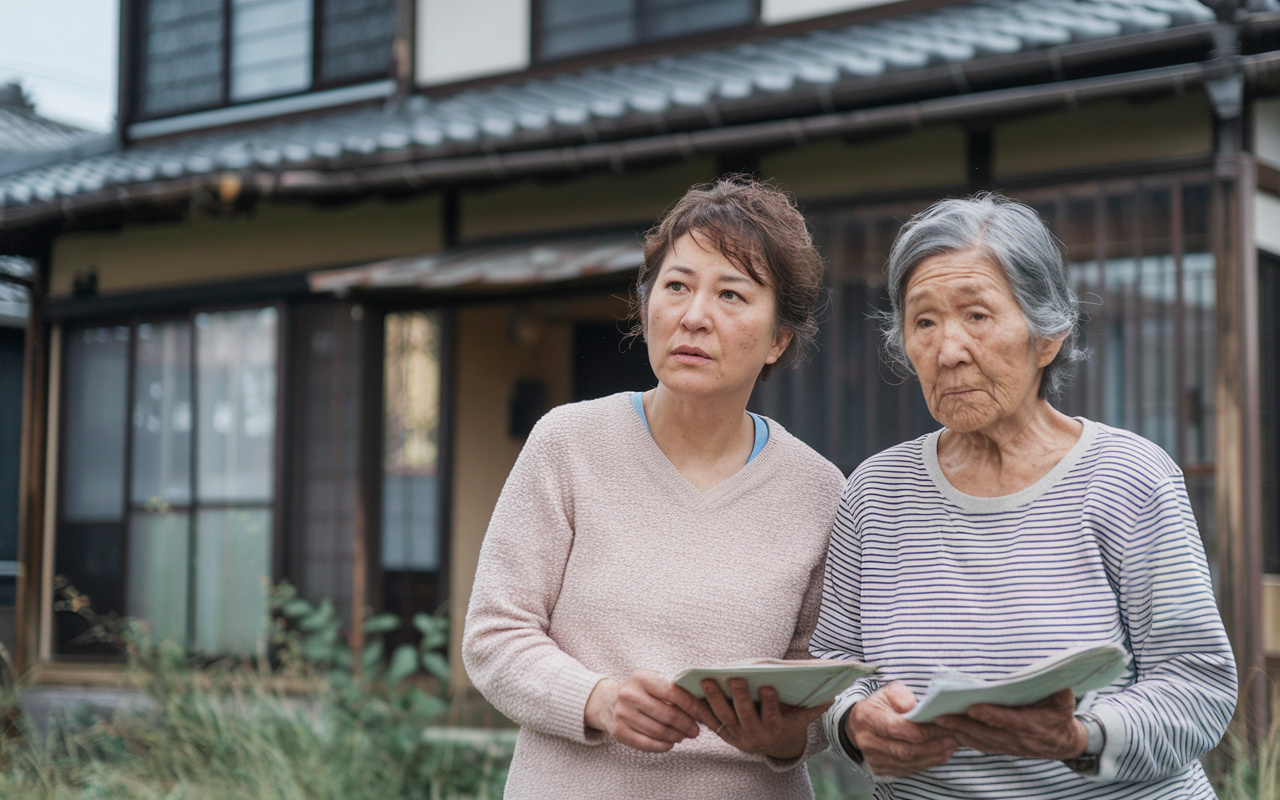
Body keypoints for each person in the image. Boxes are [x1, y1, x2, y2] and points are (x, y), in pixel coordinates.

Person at [811, 193, 1237, 799]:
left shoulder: (1128, 478)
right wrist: (855, 725)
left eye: (977, 316)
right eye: (924, 321)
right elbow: (834, 670)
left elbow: (1198, 686)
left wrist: (1080, 737)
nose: (948, 349)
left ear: (1048, 336)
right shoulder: (876, 492)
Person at [462, 177, 846, 799]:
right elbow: (494, 636)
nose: (694, 316)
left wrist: (778, 735)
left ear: (779, 339)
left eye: (731, 294)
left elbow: (824, 691)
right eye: (676, 286)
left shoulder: (819, 490)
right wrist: (599, 700)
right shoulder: (569, 444)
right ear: (647, 309)